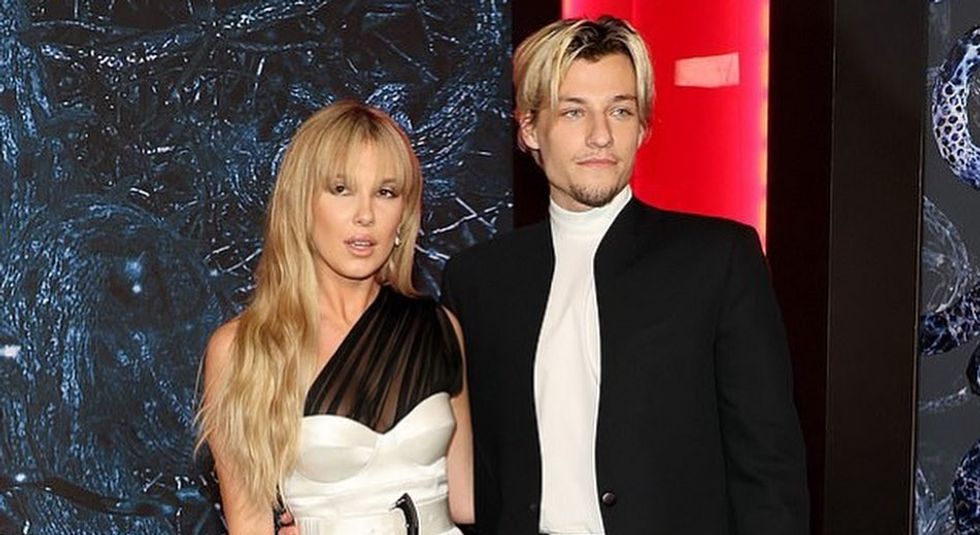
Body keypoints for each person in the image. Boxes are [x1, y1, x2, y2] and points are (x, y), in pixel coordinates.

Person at [440, 16, 809, 534]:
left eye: (620, 110)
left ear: (643, 126)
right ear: (529, 129)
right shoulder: (478, 281)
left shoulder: (717, 260)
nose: (600, 135)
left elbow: (769, 467)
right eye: (574, 112)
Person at [196, 101, 474, 534]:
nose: (365, 214)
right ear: (303, 204)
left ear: (404, 215)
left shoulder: (439, 328)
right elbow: (249, 524)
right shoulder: (243, 349)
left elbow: (470, 500)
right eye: (341, 189)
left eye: (385, 192)